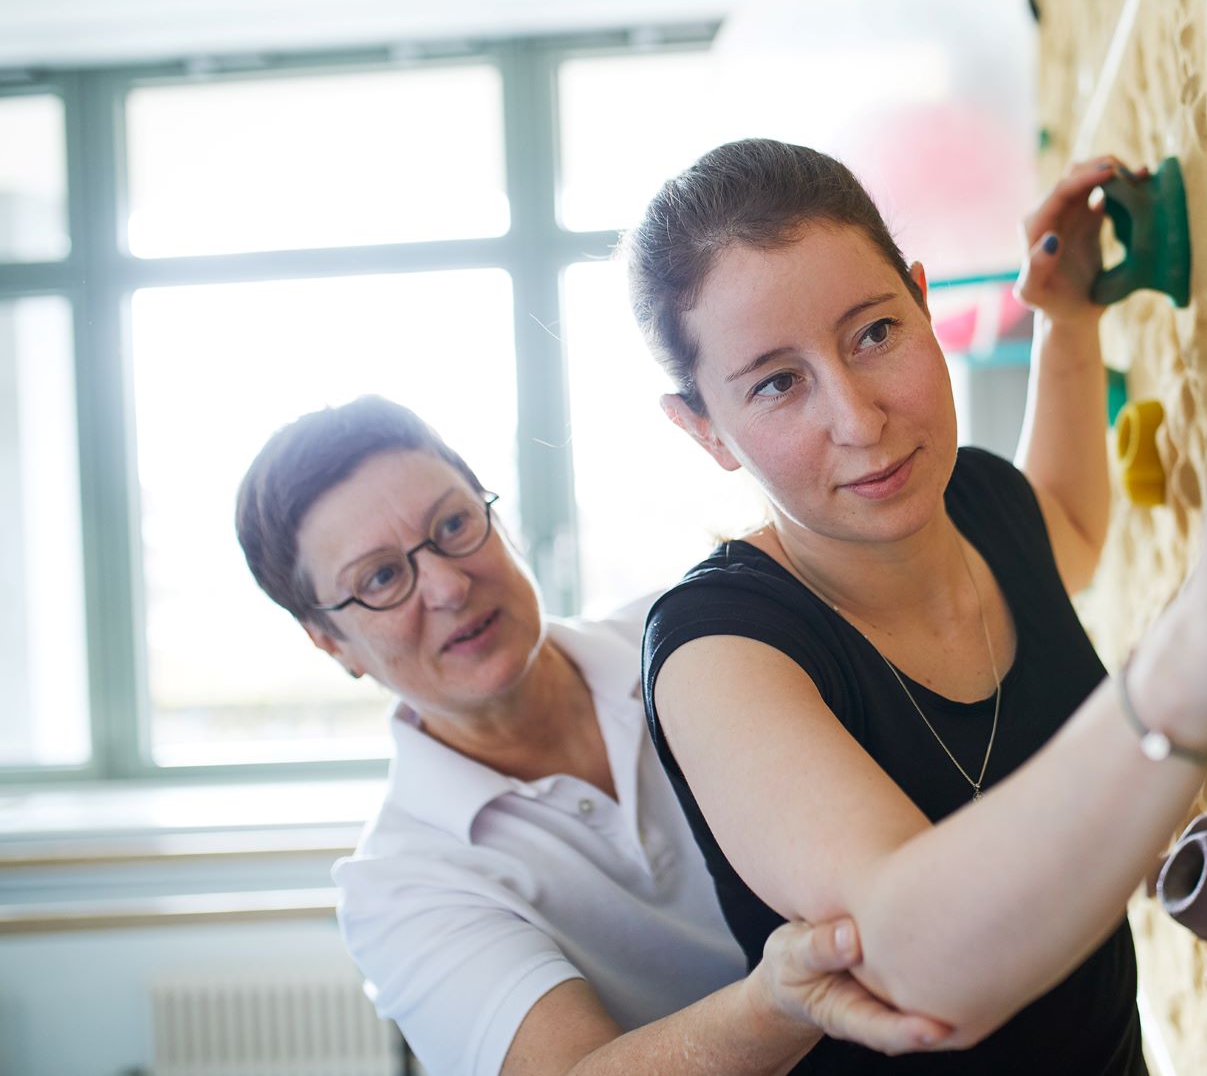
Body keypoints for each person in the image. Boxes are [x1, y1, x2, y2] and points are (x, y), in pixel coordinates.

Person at [628, 139, 1207, 1072]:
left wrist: (1066, 319)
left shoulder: (975, 502)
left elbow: (1063, 515)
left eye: (874, 333)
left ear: (919, 298)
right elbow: (911, 958)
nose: (859, 421)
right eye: (777, 383)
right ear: (704, 428)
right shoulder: (717, 654)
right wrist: (1193, 659)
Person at [234, 396, 951, 1076]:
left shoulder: (698, 632)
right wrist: (783, 1001)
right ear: (332, 644)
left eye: (453, 525)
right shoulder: (399, 885)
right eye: (383, 577)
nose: (449, 586)